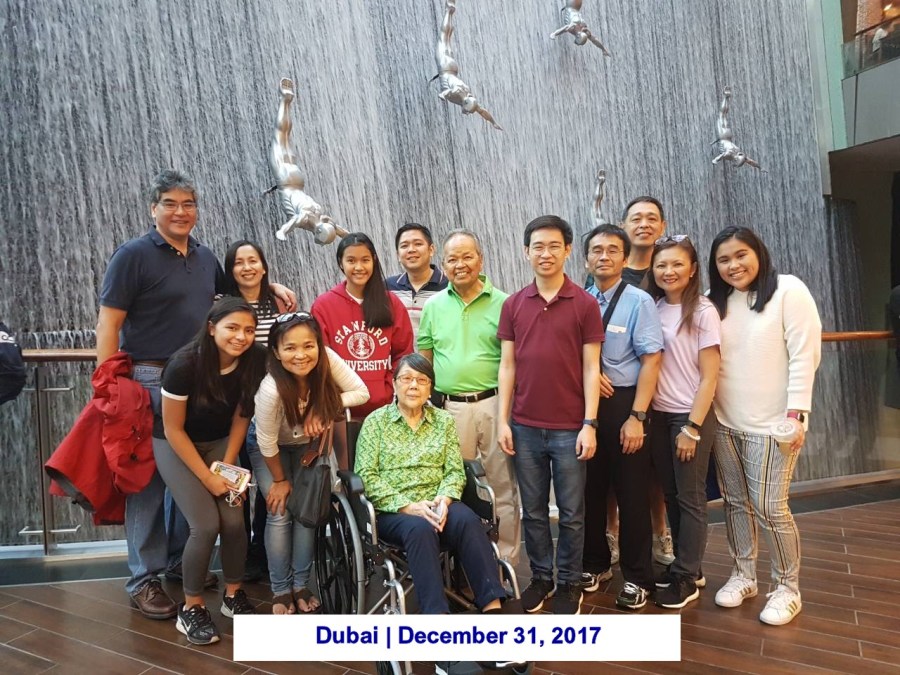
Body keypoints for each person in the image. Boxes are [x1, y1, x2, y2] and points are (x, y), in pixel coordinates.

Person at [96, 170, 295, 619]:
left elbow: (231, 304)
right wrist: (108, 386)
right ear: (153, 209)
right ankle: (143, 579)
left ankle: (177, 562)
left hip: (205, 379)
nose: (180, 211)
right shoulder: (132, 256)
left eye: (188, 204)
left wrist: (270, 287)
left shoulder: (204, 257)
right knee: (148, 485)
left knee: (183, 482)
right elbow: (109, 322)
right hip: (149, 377)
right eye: (170, 203)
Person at [709, 226, 821, 626]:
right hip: (725, 422)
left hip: (775, 425)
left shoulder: (789, 290)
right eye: (723, 260)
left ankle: (788, 588)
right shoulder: (715, 301)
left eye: (741, 255)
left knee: (771, 507)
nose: (733, 265)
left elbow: (804, 355)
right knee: (735, 503)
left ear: (758, 252)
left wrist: (796, 415)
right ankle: (744, 575)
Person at [497, 215, 603, 615]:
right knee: (534, 511)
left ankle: (569, 583)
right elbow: (507, 366)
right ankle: (541, 578)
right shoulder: (513, 304)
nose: (546, 253)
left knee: (572, 514)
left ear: (568, 250)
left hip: (570, 428)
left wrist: (589, 423)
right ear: (526, 252)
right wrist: (503, 420)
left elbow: (592, 368)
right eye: (538, 246)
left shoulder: (585, 304)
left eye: (554, 246)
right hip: (524, 426)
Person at [355, 354, 511, 615]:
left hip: (438, 505)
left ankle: (492, 606)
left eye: (422, 380)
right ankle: (436, 616)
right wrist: (408, 506)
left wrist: (444, 500)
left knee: (468, 520)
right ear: (394, 384)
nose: (413, 385)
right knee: (419, 529)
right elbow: (367, 476)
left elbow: (454, 470)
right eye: (406, 378)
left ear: (430, 388)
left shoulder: (443, 421)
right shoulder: (375, 423)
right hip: (395, 511)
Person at [153, 297, 267, 645]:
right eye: (232, 328)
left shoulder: (256, 359)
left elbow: (242, 416)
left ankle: (233, 595)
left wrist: (228, 467)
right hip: (175, 444)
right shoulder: (184, 365)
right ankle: (192, 607)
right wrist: (207, 478)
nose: (241, 337)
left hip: (220, 442)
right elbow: (173, 429)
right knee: (204, 526)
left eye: (249, 330)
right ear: (212, 327)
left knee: (234, 521)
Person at [248, 312, 369, 614]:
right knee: (279, 512)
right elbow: (266, 443)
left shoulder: (328, 359)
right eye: (290, 347)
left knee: (306, 512)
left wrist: (324, 406)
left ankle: (300, 585)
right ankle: (280, 590)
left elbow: (361, 392)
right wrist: (279, 480)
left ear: (318, 345)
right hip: (269, 449)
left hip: (308, 446)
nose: (301, 355)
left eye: (308, 345)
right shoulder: (271, 389)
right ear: (276, 352)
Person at [418, 229, 520, 563]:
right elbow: (424, 360)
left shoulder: (505, 303)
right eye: (452, 259)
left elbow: (513, 361)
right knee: (454, 485)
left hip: (494, 405)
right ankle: (465, 561)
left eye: (467, 256)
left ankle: (506, 560)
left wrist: (507, 414)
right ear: (442, 264)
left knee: (502, 485)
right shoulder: (433, 306)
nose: (459, 264)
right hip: (449, 409)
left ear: (481, 259)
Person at [585, 195, 673, 568]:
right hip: (588, 403)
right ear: (585, 260)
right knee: (592, 489)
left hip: (626, 402)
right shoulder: (580, 299)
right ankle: (595, 564)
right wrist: (591, 372)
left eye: (612, 251)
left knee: (632, 490)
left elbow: (652, 359)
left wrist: (637, 416)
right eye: (597, 251)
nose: (604, 257)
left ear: (624, 259)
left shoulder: (640, 301)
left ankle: (638, 573)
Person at [644, 236, 721, 609]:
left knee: (691, 497)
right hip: (658, 415)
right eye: (661, 265)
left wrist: (692, 426)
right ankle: (687, 566)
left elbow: (710, 376)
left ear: (692, 270)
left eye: (677, 264)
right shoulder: (654, 307)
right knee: (671, 494)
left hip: (690, 416)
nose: (668, 271)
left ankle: (686, 578)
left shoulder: (703, 310)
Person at [220, 239, 291, 580]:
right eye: (239, 262)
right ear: (230, 269)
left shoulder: (277, 303)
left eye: (253, 261)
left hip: (271, 407)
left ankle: (262, 549)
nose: (247, 267)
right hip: (232, 408)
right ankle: (239, 551)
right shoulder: (221, 305)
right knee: (237, 481)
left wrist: (273, 288)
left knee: (266, 484)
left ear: (264, 266)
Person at [311, 232, 414, 423]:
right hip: (342, 409)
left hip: (385, 409)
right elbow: (320, 358)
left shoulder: (390, 303)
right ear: (341, 263)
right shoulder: (324, 306)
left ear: (374, 260)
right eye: (351, 261)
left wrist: (388, 388)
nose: (359, 267)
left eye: (365, 260)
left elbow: (403, 353)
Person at [435, 0, 502, 130]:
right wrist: (442, 95)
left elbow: (482, 111)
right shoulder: (459, 93)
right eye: (468, 111)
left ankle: (450, 12)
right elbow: (448, 92)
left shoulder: (469, 97)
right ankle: (449, 10)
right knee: (443, 37)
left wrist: (493, 122)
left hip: (452, 69)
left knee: (447, 39)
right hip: (445, 67)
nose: (467, 113)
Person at [386, 222, 448, 342]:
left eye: (418, 244)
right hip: (400, 354)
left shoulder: (449, 286)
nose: (411, 250)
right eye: (404, 246)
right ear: (398, 255)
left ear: (431, 250)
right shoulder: (387, 288)